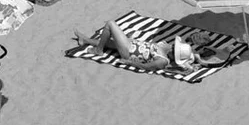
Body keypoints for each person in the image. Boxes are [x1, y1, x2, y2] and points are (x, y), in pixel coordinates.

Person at [72, 22, 215, 73]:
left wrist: (129, 62)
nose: (173, 47)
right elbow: (190, 54)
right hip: (132, 43)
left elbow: (145, 67)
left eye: (175, 49)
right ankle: (86, 41)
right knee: (109, 40)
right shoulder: (169, 48)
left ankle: (98, 51)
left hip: (129, 51)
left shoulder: (163, 61)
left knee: (110, 25)